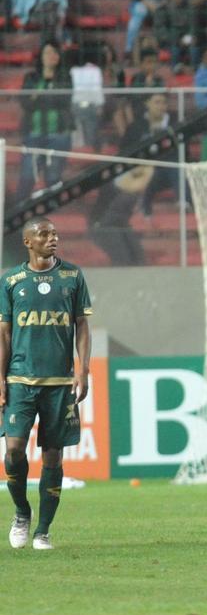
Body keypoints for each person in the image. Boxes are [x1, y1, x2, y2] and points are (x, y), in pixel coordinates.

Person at [2, 218, 92, 551]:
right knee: (13, 452)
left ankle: (43, 530)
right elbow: (4, 334)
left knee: (52, 458)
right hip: (20, 380)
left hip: (59, 382)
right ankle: (22, 512)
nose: (52, 238)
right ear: (28, 242)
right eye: (44, 234)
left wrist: (83, 370)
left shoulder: (72, 276)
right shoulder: (11, 280)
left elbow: (81, 325)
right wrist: (0, 378)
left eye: (54, 233)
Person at [17, 40, 73, 202]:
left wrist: (39, 96)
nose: (52, 56)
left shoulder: (64, 77)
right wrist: (44, 91)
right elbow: (26, 103)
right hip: (34, 134)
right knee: (27, 175)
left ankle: (50, 215)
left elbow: (64, 101)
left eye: (55, 52)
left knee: (53, 177)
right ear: (41, 57)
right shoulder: (32, 77)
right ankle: (19, 211)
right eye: (48, 52)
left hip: (59, 135)